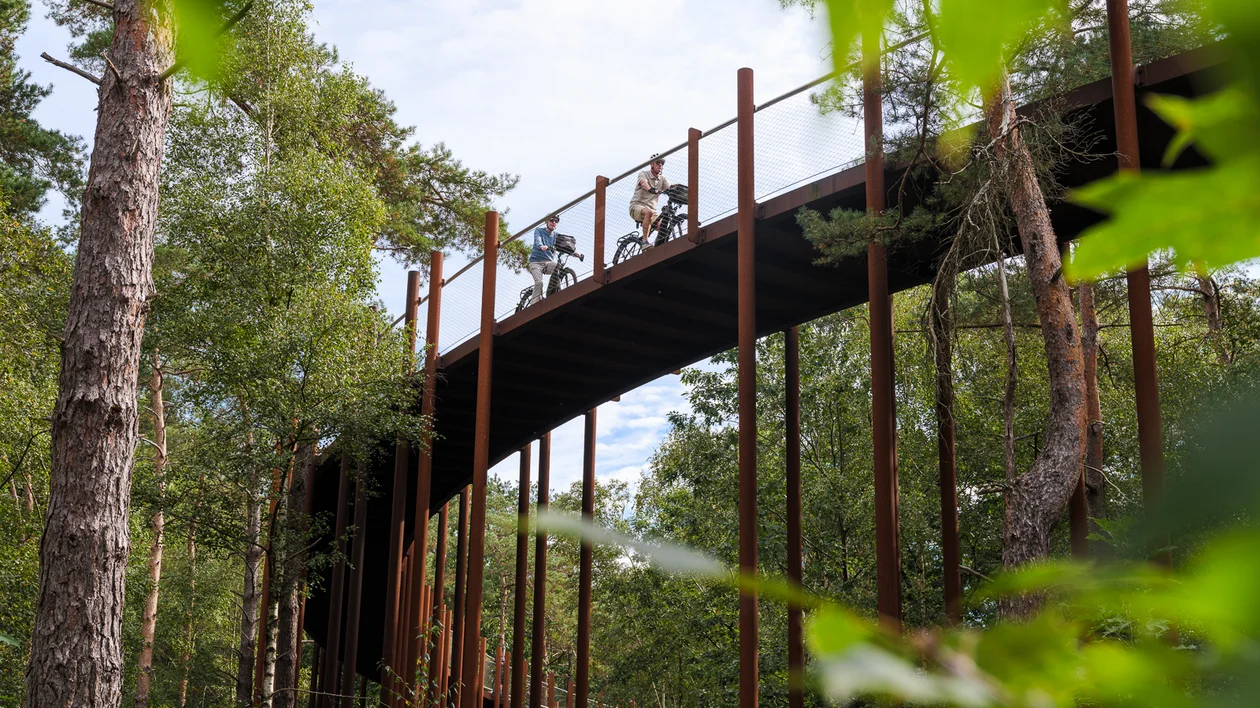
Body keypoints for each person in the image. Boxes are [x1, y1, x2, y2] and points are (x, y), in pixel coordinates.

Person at [629, 155, 670, 248]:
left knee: (663, 226)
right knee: (648, 212)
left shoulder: (662, 179)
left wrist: (678, 190)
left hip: (652, 210)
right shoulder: (643, 174)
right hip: (636, 206)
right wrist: (650, 189)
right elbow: (644, 183)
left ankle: (658, 246)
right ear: (652, 164)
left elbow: (669, 188)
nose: (660, 165)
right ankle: (644, 242)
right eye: (658, 163)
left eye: (662, 163)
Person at [528, 214, 561, 305]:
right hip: (535, 263)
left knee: (557, 267)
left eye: (556, 221)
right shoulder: (539, 231)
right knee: (539, 283)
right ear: (546, 222)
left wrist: (575, 253)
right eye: (551, 220)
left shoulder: (556, 235)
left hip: (548, 263)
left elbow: (565, 245)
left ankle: (555, 292)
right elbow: (538, 240)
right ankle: (533, 306)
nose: (553, 223)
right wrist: (541, 246)